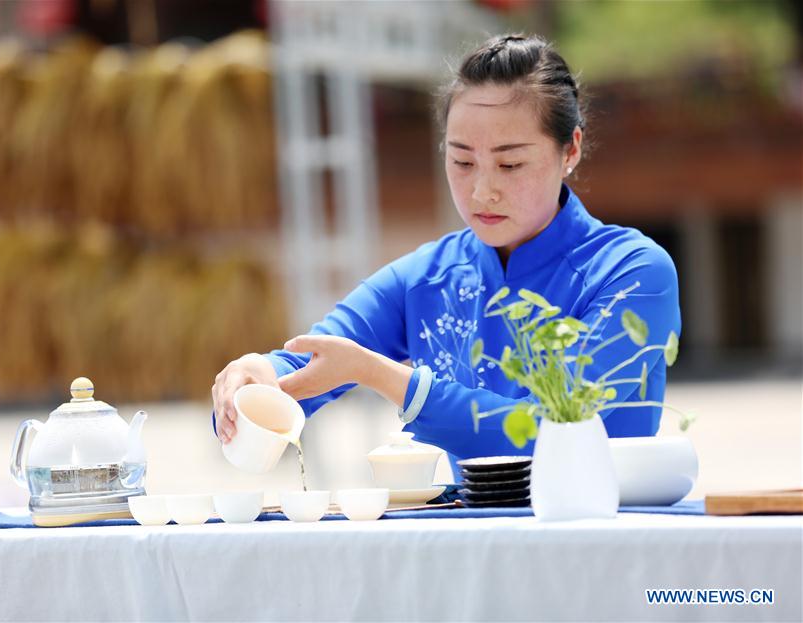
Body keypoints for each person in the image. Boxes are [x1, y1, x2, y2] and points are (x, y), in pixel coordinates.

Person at [211, 34, 680, 481]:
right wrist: (256, 378)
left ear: (570, 149)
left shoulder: (633, 271)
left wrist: (384, 376)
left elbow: (555, 431)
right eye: (461, 161)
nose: (482, 190)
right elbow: (325, 353)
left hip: (601, 546)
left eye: (510, 163)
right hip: (469, 550)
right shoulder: (430, 276)